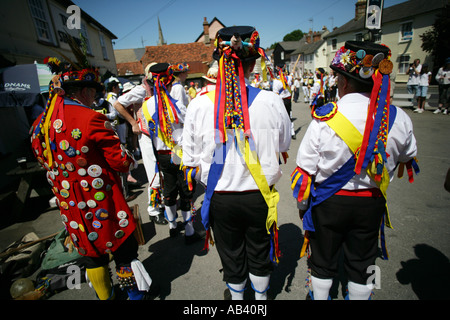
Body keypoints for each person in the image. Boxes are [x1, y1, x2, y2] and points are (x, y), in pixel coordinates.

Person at [291, 41, 419, 300]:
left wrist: (304, 209)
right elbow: (408, 155)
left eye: (337, 77)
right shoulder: (399, 117)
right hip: (371, 204)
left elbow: (305, 171)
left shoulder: (325, 117)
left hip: (329, 204)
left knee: (322, 262)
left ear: (344, 82)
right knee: (364, 264)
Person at [32, 51, 155, 300]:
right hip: (103, 202)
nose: (95, 97)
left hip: (71, 207)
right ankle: (135, 296)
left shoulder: (39, 124)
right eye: (94, 92)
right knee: (123, 249)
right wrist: (130, 157)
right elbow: (120, 162)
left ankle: (105, 297)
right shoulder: (91, 119)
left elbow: (44, 161)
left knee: (91, 254)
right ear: (83, 91)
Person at [182, 26, 291, 300]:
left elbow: (189, 157)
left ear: (220, 62)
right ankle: (262, 301)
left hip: (220, 197)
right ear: (253, 64)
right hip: (259, 196)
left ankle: (239, 302)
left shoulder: (198, 104)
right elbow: (284, 146)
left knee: (231, 254)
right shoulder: (272, 100)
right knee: (258, 250)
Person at [144, 63, 200, 243]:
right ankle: (190, 231)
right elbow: (191, 130)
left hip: (161, 154)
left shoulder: (146, 107)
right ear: (168, 83)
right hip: (178, 153)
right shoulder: (178, 107)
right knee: (185, 192)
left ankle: (172, 227)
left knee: (168, 190)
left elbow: (147, 131)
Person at [113, 63, 167, 225]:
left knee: (163, 172)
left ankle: (162, 202)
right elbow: (117, 103)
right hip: (147, 136)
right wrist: (132, 123)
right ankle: (153, 209)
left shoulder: (161, 87)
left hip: (162, 136)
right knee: (154, 174)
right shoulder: (141, 89)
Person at [273, 66, 295, 139]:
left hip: (281, 100)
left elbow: (275, 93)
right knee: (289, 116)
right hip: (288, 100)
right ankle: (292, 132)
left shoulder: (276, 81)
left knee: (280, 117)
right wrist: (291, 73)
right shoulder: (288, 78)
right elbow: (292, 76)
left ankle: (283, 134)